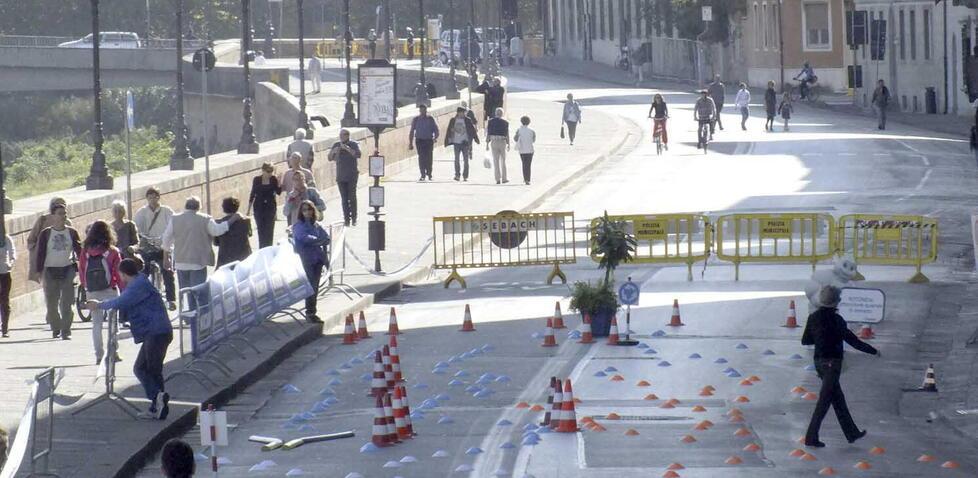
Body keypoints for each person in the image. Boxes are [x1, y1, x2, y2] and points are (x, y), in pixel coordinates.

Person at [86, 258, 173, 420]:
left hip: (155, 332)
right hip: (156, 331)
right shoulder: (140, 282)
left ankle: (157, 399)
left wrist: (98, 305)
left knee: (147, 369)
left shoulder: (137, 286)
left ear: (124, 274)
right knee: (147, 369)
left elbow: (121, 301)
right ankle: (158, 404)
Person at [801, 285, 879, 447]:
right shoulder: (837, 321)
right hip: (833, 363)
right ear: (837, 302)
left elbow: (805, 341)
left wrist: (820, 337)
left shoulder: (813, 317)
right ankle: (811, 437)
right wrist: (873, 351)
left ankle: (852, 433)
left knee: (837, 398)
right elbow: (853, 341)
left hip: (819, 363)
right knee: (824, 402)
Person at [161, 196, 235, 309]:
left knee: (186, 291)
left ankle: (189, 315)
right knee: (198, 292)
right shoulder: (205, 219)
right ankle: (199, 315)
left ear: (185, 206)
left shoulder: (175, 219)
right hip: (198, 261)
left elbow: (166, 239)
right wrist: (232, 220)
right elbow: (217, 230)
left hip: (180, 261)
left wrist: (166, 258)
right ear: (199, 207)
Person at [79, 220, 123, 365]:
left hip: (92, 291)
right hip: (109, 289)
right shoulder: (112, 251)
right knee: (113, 322)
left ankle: (99, 355)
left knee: (96, 324)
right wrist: (122, 288)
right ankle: (114, 352)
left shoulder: (85, 251)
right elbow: (118, 272)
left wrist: (86, 286)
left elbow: (81, 270)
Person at [36, 203, 81, 340]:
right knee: (51, 303)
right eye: (60, 213)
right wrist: (39, 271)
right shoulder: (46, 233)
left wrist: (82, 268)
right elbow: (41, 253)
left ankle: (66, 331)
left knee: (67, 302)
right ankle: (56, 328)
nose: (63, 216)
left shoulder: (72, 232)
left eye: (64, 213)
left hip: (67, 269)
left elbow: (79, 251)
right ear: (53, 216)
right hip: (50, 270)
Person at [134, 187, 177, 310]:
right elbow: (136, 228)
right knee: (143, 270)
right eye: (150, 197)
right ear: (147, 198)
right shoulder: (141, 212)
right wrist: (141, 237)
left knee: (167, 270)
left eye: (155, 197)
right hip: (147, 246)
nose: (152, 200)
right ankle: (139, 297)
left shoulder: (166, 211)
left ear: (159, 197)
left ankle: (171, 299)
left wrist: (168, 239)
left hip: (163, 245)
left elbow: (173, 226)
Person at [291, 200, 330, 323]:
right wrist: (318, 240)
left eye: (309, 209)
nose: (307, 212)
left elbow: (326, 238)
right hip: (306, 259)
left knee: (315, 287)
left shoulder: (316, 225)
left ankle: (312, 311)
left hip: (318, 259)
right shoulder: (298, 226)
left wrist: (318, 240)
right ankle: (310, 312)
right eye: (304, 210)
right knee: (311, 286)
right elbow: (305, 238)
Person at [27, 197, 72, 284]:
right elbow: (32, 239)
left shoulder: (68, 223)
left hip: (62, 259)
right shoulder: (43, 220)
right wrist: (36, 252)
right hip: (45, 260)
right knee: (49, 286)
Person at [327, 128, 362, 226]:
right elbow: (329, 158)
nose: (341, 137)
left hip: (352, 175)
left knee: (352, 197)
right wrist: (333, 151)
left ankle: (354, 218)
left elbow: (358, 155)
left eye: (343, 135)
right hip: (341, 176)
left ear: (348, 135)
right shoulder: (336, 145)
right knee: (344, 198)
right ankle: (346, 219)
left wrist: (347, 148)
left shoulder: (353, 144)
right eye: (340, 135)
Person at [248, 162, 281, 248]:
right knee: (261, 230)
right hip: (259, 208)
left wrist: (279, 181)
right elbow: (252, 194)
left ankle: (268, 248)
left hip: (270, 208)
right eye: (268, 171)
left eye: (271, 171)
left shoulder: (273, 179)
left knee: (269, 231)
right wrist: (248, 210)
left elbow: (279, 192)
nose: (270, 173)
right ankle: (261, 249)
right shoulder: (257, 180)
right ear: (263, 170)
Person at [444, 106, 480, 182]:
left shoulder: (467, 120)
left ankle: (465, 176)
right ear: (458, 113)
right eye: (462, 112)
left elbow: (472, 130)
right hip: (456, 142)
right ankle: (457, 175)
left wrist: (476, 139)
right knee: (456, 159)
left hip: (465, 143)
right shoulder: (453, 120)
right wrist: (447, 140)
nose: (464, 114)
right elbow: (448, 130)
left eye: (464, 112)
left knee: (466, 160)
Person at [215, 197, 252, 268]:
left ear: (224, 208)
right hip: (244, 256)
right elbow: (249, 234)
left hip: (225, 258)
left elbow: (216, 242)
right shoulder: (246, 221)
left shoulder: (219, 222)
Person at [409, 104, 439, 182]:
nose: (423, 112)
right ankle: (422, 174)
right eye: (421, 110)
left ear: (426, 110)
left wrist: (435, 137)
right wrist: (410, 143)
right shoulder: (416, 119)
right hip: (419, 140)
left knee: (429, 157)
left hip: (428, 140)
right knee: (421, 157)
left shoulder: (430, 119)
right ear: (419, 111)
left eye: (424, 110)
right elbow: (412, 131)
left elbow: (436, 129)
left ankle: (429, 174)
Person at [486, 107, 510, 184]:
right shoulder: (505, 122)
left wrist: (487, 143)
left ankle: (497, 179)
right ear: (502, 114)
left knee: (495, 161)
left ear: (496, 113)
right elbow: (507, 134)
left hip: (494, 141)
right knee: (503, 160)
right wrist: (508, 143)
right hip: (502, 141)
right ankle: (504, 178)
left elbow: (488, 133)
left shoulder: (490, 121)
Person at [514, 115, 536, 185]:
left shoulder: (519, 130)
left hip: (522, 150)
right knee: (528, 164)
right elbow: (533, 140)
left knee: (524, 164)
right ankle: (528, 179)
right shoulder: (532, 131)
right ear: (529, 122)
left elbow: (515, 139)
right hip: (530, 150)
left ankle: (525, 178)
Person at [0, 234, 14, 338]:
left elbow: (12, 253)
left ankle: (5, 328)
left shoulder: (5, 238)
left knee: (4, 300)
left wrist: (11, 263)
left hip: (4, 273)